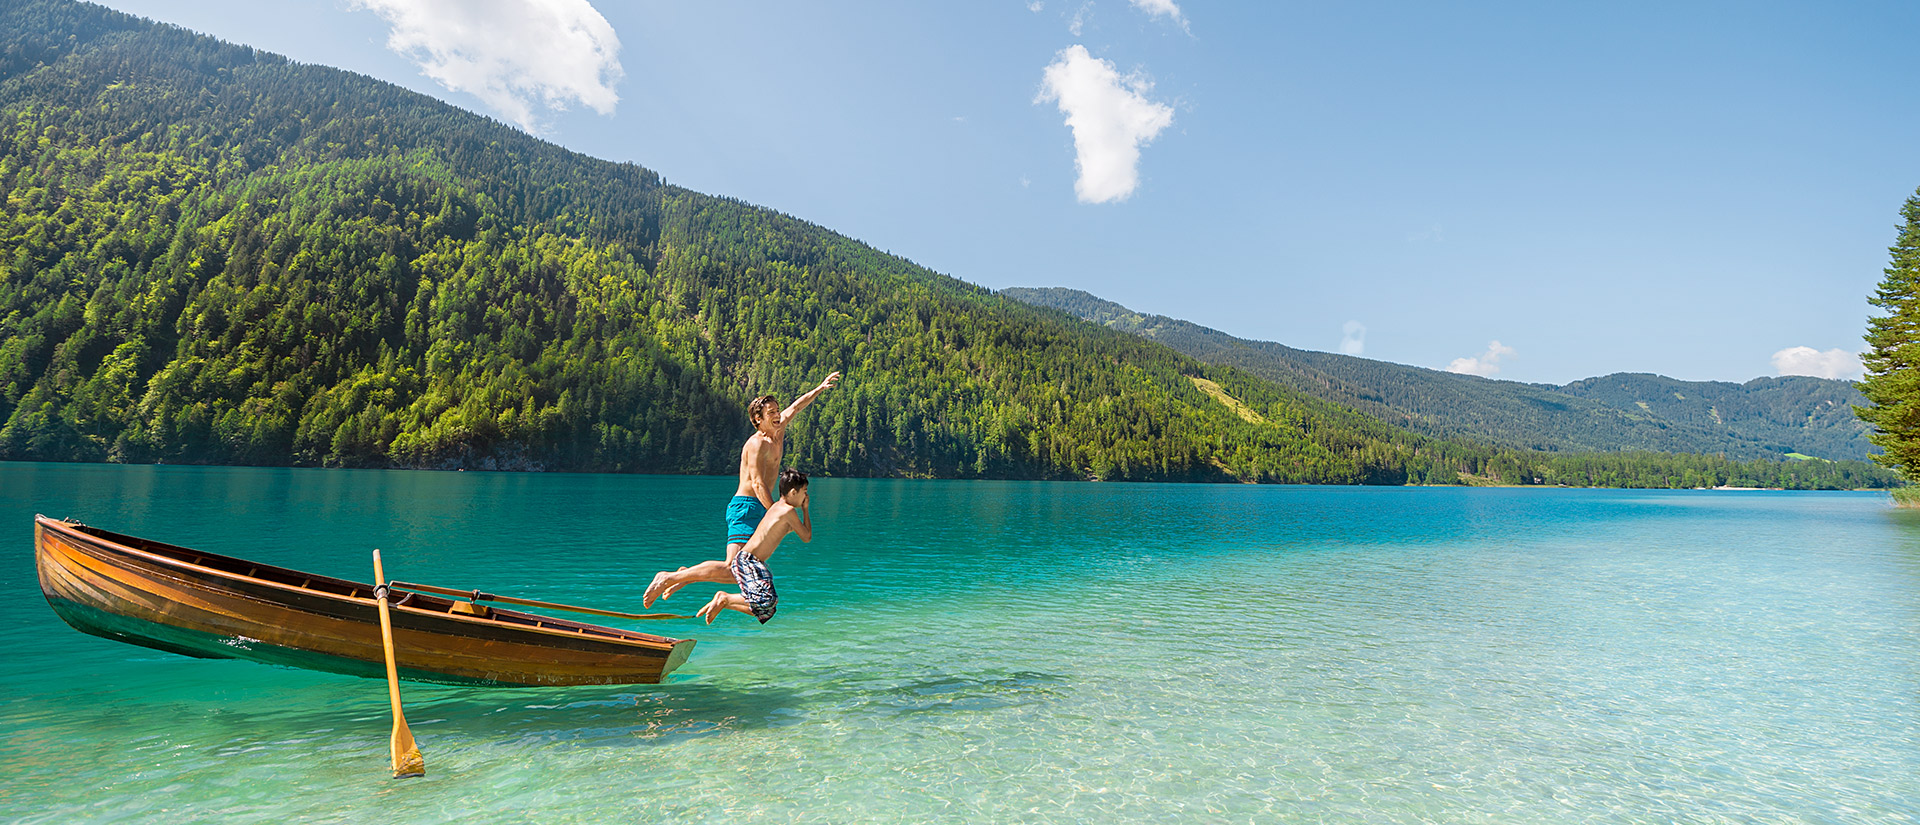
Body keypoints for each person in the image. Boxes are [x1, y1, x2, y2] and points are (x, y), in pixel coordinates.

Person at [642, 371, 837, 607]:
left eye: (777, 410)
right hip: (746, 507)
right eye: (771, 413)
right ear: (758, 419)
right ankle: (670, 577)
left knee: (738, 572)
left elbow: (797, 406)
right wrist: (774, 512)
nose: (777, 415)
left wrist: (820, 387)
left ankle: (686, 574)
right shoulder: (756, 444)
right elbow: (757, 483)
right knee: (732, 568)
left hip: (759, 507)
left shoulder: (779, 428)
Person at [695, 468, 811, 624]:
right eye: (804, 491)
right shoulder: (788, 511)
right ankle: (724, 598)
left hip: (752, 561)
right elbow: (806, 536)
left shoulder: (777, 508)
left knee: (768, 610)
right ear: (793, 493)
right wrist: (805, 510)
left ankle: (726, 601)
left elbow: (792, 530)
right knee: (766, 600)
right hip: (748, 561)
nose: (806, 496)